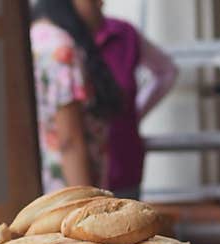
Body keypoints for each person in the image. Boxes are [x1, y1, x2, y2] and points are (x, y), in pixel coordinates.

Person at [71, 0, 179, 199]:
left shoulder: (124, 34)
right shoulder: (60, 42)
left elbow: (167, 71)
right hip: (78, 175)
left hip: (122, 162)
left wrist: (136, 111)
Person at [30, 0, 123, 194]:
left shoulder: (35, 36)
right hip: (70, 199)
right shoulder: (62, 50)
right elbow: (69, 141)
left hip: (48, 195)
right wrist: (87, 208)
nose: (101, 3)